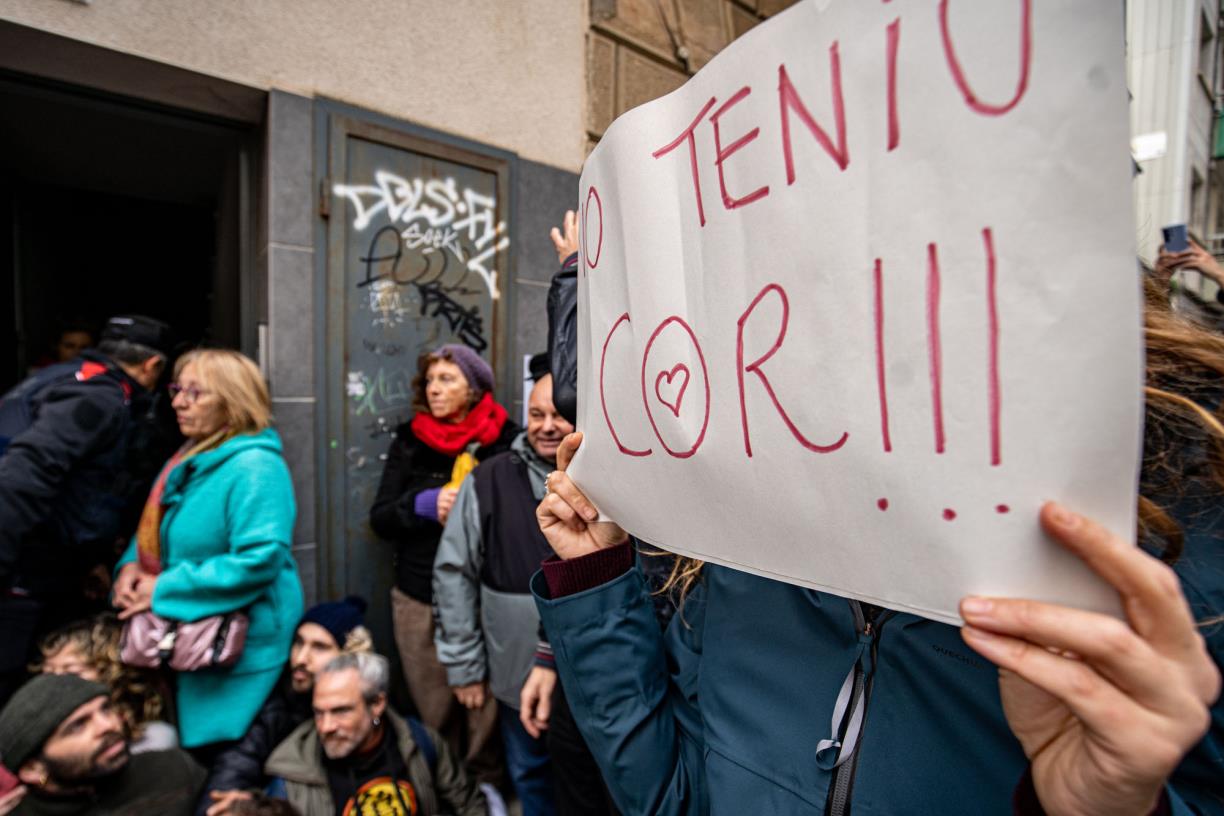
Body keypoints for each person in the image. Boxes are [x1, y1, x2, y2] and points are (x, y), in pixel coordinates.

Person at [530, 275, 1223, 815]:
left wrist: (1111, 807)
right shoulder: (739, 550)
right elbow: (672, 797)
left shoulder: (1171, 565)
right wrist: (597, 579)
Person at [111, 349, 304, 758]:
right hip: (189, 639)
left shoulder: (254, 466)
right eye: (178, 389)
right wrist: (130, 566)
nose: (179, 402)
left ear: (234, 403)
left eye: (196, 394)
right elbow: (160, 530)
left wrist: (162, 587)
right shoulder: (191, 455)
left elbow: (260, 560)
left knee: (225, 766)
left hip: (236, 653)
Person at [0, 314, 171, 706]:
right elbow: (23, 476)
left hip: (44, 567)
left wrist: (88, 560)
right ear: (153, 366)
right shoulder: (99, 396)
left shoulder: (58, 377)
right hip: (22, 573)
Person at [370, 343, 517, 783]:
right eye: (430, 380)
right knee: (434, 705)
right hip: (420, 598)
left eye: (446, 379)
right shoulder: (410, 440)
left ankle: (486, 786)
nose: (434, 389)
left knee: (485, 707)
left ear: (474, 389)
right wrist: (424, 504)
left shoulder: (506, 440)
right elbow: (380, 518)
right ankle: (444, 785)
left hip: (485, 596)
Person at [433, 355, 571, 815]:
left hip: (587, 679)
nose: (547, 426)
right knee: (529, 776)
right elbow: (454, 574)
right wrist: (464, 666)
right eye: (536, 414)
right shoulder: (488, 479)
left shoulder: (602, 482)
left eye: (558, 414)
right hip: (514, 675)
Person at [201, 596, 373, 816]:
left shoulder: (375, 716)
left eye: (319, 647)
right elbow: (234, 772)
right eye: (299, 642)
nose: (301, 658)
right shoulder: (277, 709)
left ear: (347, 659)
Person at [264, 652, 486, 816]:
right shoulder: (290, 778)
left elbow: (469, 804)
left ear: (377, 704)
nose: (325, 726)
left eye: (340, 711)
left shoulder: (419, 741)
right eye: (319, 713)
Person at [0, 673, 204, 815]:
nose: (109, 725)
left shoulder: (172, 769)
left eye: (106, 709)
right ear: (33, 769)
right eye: (78, 726)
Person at [33, 613, 175, 754]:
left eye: (73, 673)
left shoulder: (153, 739)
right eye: (49, 674)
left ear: (112, 675)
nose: (54, 684)